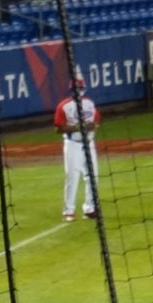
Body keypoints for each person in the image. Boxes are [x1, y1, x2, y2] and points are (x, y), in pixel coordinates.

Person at [53, 77, 100, 222]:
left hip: (89, 143)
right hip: (73, 144)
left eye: (80, 88)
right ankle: (69, 210)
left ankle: (90, 208)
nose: (78, 91)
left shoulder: (90, 104)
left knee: (93, 176)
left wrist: (93, 126)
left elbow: (96, 121)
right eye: (76, 89)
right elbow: (58, 129)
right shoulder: (64, 106)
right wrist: (78, 127)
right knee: (73, 177)